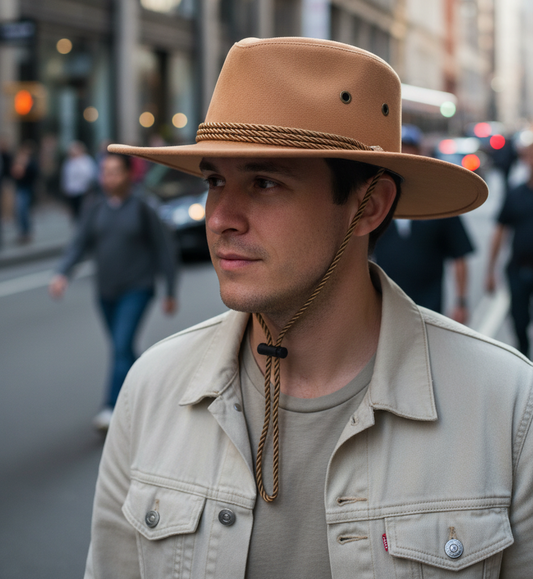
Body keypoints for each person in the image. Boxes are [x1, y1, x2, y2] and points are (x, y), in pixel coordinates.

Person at [85, 37, 533, 578]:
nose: (220, 216)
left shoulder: (507, 407)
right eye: (214, 181)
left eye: (266, 182)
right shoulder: (153, 388)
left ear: (369, 206)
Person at [50, 153, 179, 431]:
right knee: (124, 351)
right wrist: (62, 273)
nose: (108, 178)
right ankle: (154, 386)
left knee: (120, 347)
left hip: (138, 288)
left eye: (114, 172)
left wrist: (170, 290)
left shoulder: (144, 207)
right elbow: (79, 244)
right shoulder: (95, 209)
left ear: (129, 175)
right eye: (104, 172)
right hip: (106, 292)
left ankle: (110, 407)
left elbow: (164, 249)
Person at [372, 125, 474, 322]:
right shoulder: (374, 201)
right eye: (400, 152)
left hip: (429, 307)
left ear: (420, 155)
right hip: (384, 305)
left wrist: (461, 301)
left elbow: (459, 255)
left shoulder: (439, 204)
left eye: (411, 152)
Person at [486, 142, 533, 355]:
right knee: (519, 318)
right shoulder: (515, 194)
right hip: (519, 267)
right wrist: (490, 270)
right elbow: (499, 232)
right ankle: (524, 355)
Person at [10, 140, 39, 244]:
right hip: (20, 188)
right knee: (19, 210)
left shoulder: (31, 162)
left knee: (23, 210)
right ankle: (23, 231)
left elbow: (34, 174)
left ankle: (26, 231)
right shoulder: (18, 161)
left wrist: (25, 167)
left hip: (27, 188)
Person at [60, 141, 97, 219]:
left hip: (83, 190)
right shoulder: (68, 162)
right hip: (72, 190)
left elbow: (90, 174)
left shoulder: (86, 160)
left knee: (83, 210)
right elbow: (66, 176)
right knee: (74, 210)